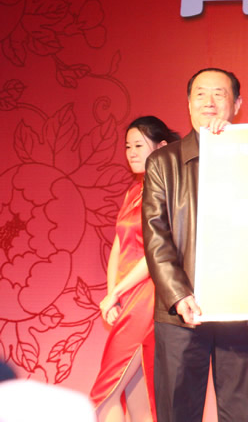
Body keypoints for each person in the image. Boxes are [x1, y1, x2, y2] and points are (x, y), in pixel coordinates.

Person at [142, 68, 248, 422]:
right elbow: (156, 235)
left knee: (244, 413)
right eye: (201, 94)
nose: (209, 102)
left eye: (219, 94)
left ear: (237, 104)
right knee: (177, 412)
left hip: (242, 311)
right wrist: (179, 295)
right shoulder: (163, 162)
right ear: (188, 103)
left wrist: (233, 149)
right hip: (180, 314)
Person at [90, 116, 179, 422]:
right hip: (126, 295)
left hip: (148, 294)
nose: (131, 153)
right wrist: (111, 296)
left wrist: (117, 292)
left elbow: (157, 253)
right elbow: (118, 246)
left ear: (161, 147)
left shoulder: (168, 191)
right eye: (128, 146)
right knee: (139, 398)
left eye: (139, 145)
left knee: (104, 394)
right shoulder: (133, 192)